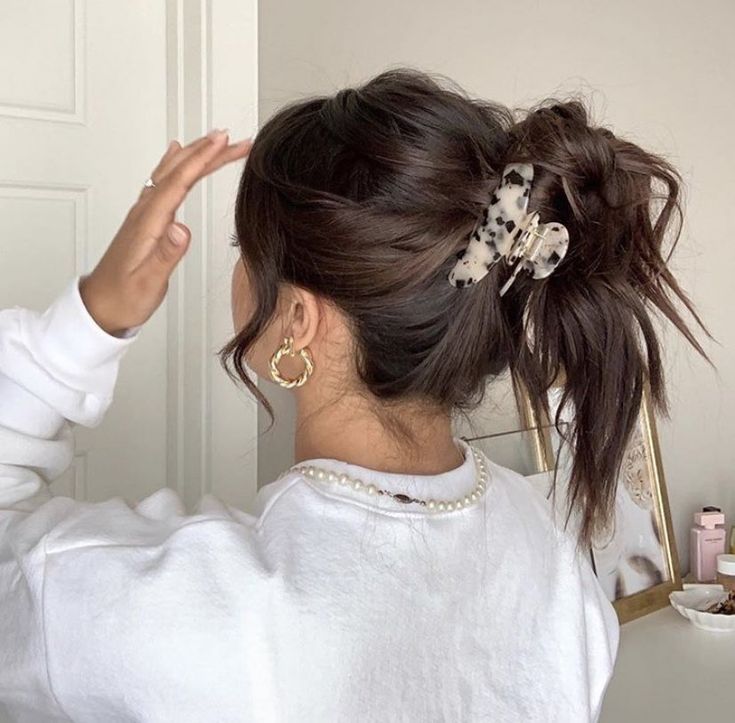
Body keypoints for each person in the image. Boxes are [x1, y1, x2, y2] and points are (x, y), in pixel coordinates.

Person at [0, 68, 712, 722]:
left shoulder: (183, 610)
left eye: (239, 250)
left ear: (298, 321)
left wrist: (85, 325)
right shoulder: (560, 560)